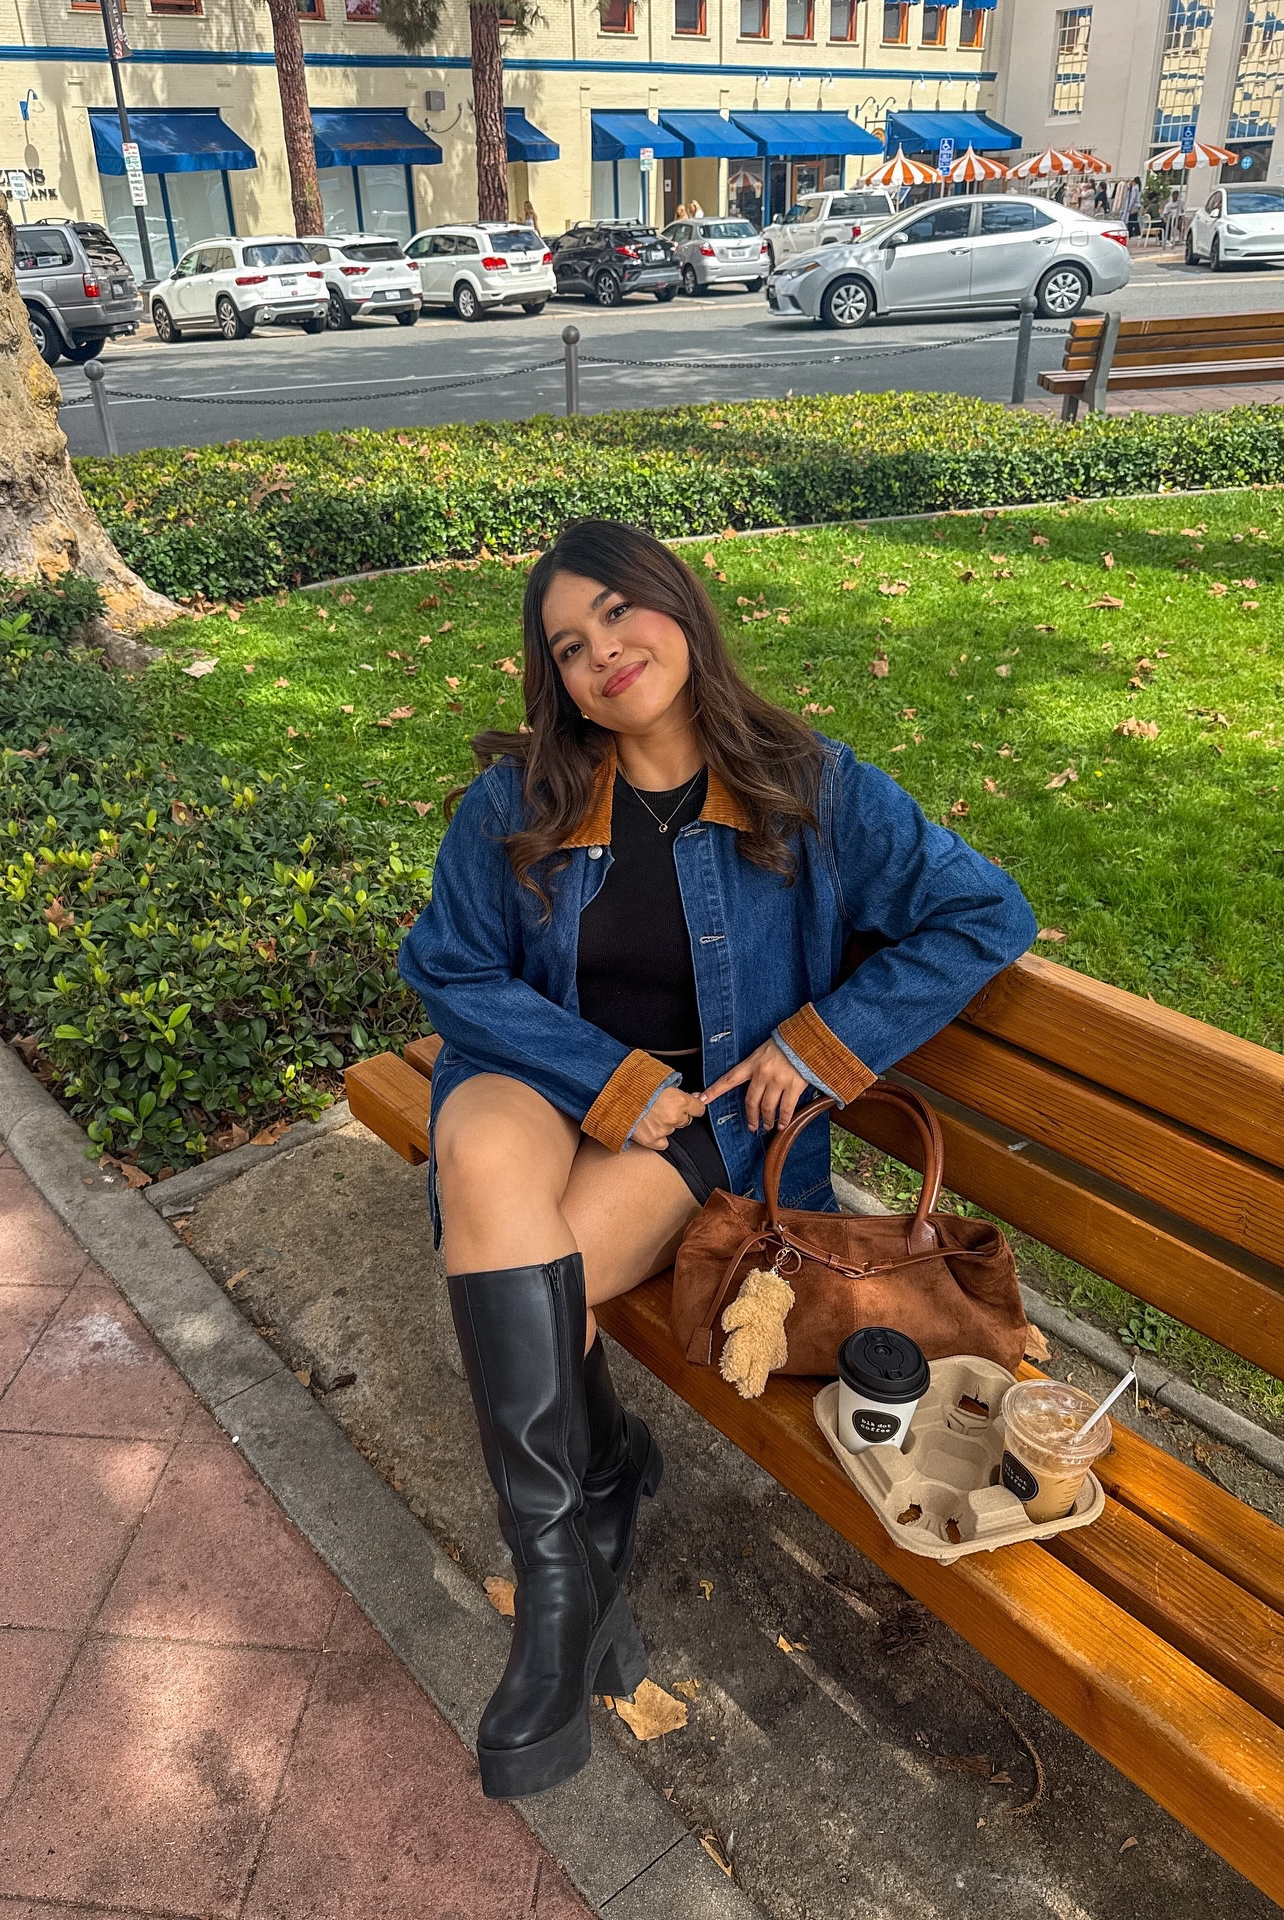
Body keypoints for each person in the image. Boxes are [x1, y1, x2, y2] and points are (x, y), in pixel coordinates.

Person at [398, 519, 1038, 1801]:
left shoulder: (813, 788)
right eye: (570, 649)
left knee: (544, 1269)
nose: (604, 656)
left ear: (677, 609)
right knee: (477, 1154)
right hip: (546, 1083)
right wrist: (608, 1083)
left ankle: (569, 1547)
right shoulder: (517, 799)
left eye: (618, 617)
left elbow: (987, 912)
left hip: (708, 1128)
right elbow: (449, 967)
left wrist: (823, 1040)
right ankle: (570, 1566)